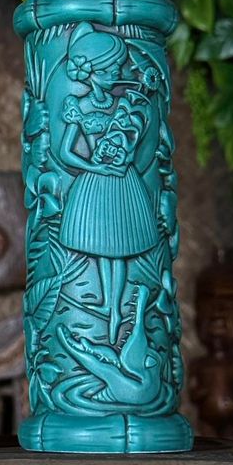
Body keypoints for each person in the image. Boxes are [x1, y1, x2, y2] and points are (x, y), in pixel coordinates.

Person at [59, 23, 158, 342]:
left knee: (118, 247)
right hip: (97, 182)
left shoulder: (122, 105)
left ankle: (116, 309)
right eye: (112, 68)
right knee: (102, 248)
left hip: (121, 183)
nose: (118, 73)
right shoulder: (80, 106)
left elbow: (135, 134)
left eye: (119, 67)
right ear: (92, 72)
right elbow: (64, 152)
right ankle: (109, 303)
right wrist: (94, 167)